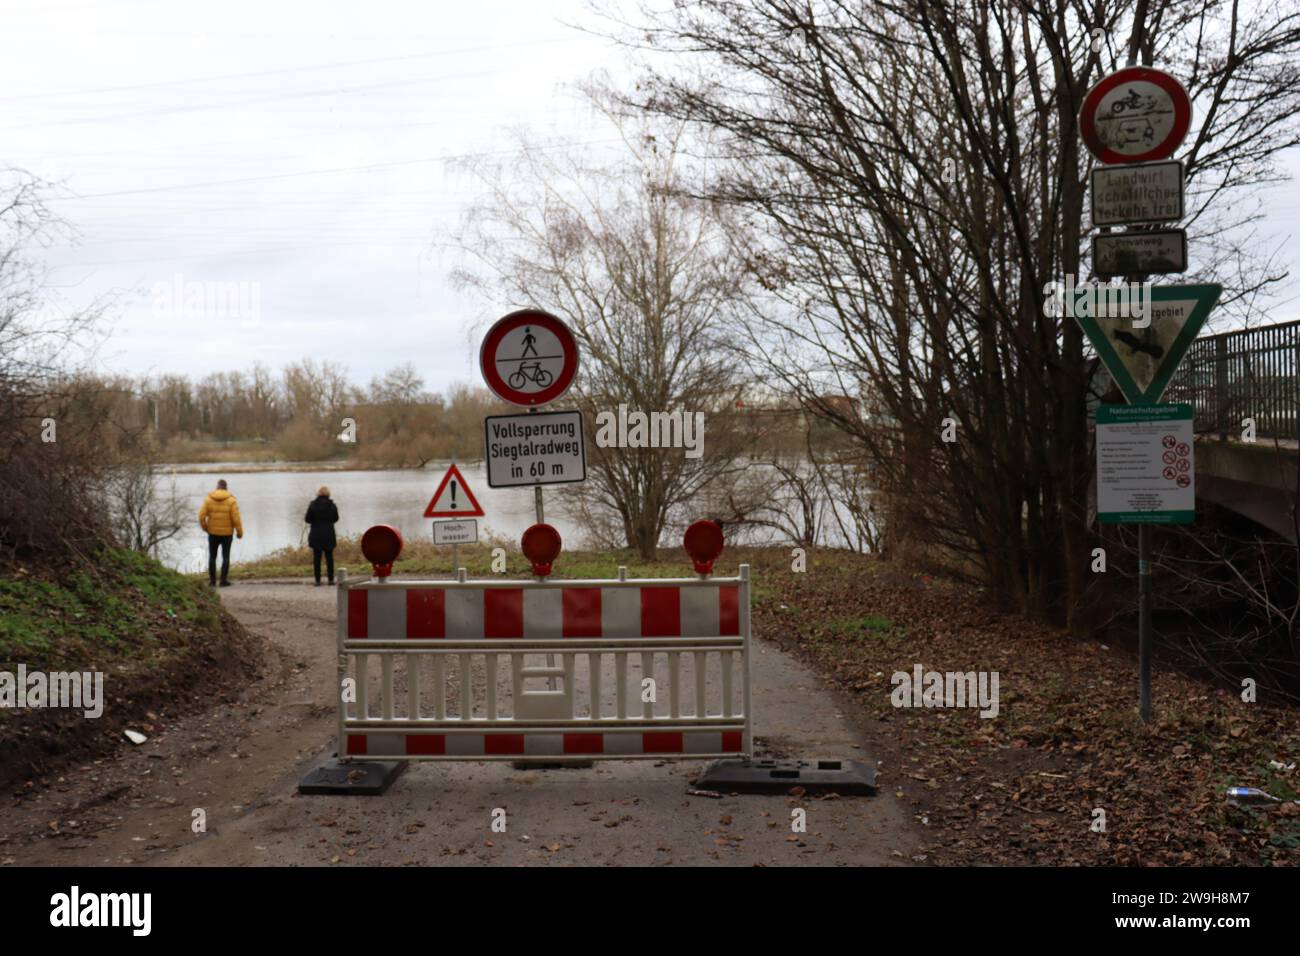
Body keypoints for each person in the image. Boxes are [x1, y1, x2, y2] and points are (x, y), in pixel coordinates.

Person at [198, 479, 243, 587]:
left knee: (212, 557)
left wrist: (206, 528)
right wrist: (239, 532)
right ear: (226, 488)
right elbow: (236, 518)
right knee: (226, 557)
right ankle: (223, 581)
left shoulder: (208, 499)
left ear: (217, 487)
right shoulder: (231, 500)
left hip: (212, 533)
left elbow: (201, 516)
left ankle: (212, 581)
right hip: (227, 534)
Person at [305, 485, 339, 586]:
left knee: (317, 557)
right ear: (328, 493)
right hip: (328, 533)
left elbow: (307, 519)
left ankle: (317, 581)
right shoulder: (332, 505)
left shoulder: (312, 505)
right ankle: (331, 580)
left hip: (316, 534)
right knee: (329, 557)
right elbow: (336, 518)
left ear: (318, 493)